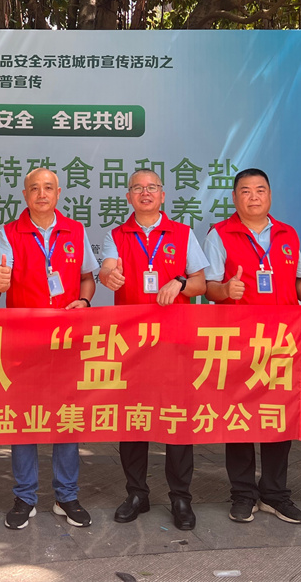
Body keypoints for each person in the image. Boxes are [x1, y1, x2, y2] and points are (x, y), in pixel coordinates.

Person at [203, 168, 301, 525]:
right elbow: (209, 287)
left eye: (260, 190)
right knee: (238, 418)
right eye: (245, 191)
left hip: (282, 341)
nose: (253, 196)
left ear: (270, 195)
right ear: (234, 198)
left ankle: (274, 493)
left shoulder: (288, 234)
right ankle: (243, 493)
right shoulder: (219, 234)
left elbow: (297, 279)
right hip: (239, 341)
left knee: (277, 415)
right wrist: (226, 290)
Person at [97, 169, 208, 531]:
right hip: (132, 344)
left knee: (177, 419)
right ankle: (136, 493)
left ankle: (181, 496)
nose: (145, 193)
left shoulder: (182, 234)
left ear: (162, 195)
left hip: (176, 341)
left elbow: (201, 282)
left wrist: (180, 282)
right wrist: (109, 275)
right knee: (133, 418)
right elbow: (107, 269)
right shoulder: (116, 235)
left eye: (152, 188)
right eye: (138, 188)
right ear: (128, 196)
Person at [0, 168, 98, 530]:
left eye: (48, 187)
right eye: (34, 188)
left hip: (67, 340)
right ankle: (25, 497)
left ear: (58, 193)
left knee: (67, 416)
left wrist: (85, 300)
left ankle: (66, 496)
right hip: (24, 342)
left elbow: (87, 277)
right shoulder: (9, 233)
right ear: (25, 195)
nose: (41, 194)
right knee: (25, 419)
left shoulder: (75, 231)